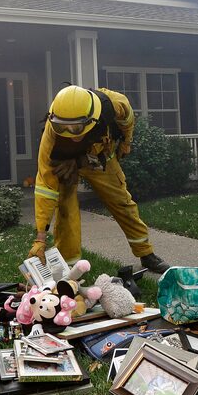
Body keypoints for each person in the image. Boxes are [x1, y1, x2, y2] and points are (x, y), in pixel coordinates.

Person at [27, 84, 171, 274]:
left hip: (100, 157)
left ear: (91, 117)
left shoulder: (114, 104)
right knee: (66, 212)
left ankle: (146, 254)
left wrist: (126, 142)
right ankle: (70, 269)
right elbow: (45, 186)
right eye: (63, 127)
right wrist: (40, 238)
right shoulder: (51, 135)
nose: (70, 132)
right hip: (64, 166)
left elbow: (127, 121)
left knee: (122, 202)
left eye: (76, 127)